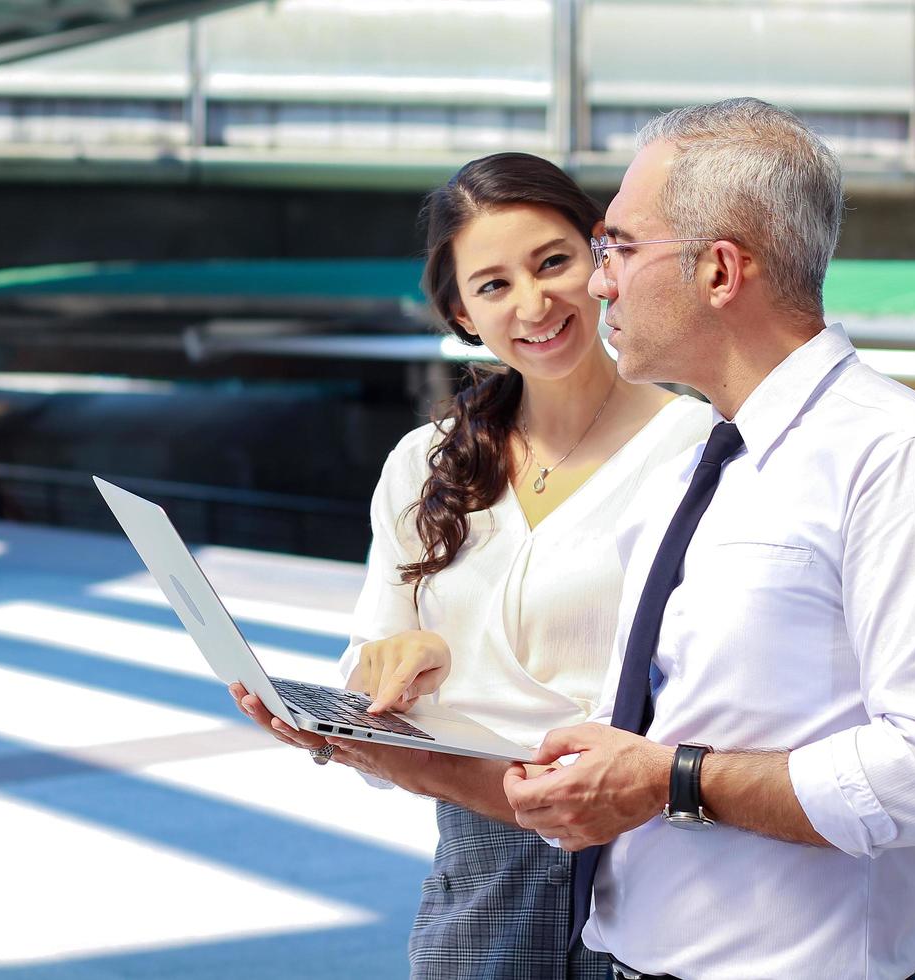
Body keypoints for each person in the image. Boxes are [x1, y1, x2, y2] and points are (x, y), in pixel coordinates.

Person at [501, 98, 915, 980]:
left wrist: (669, 780)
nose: (597, 283)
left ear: (719, 271)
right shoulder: (693, 467)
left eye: (618, 248)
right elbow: (675, 714)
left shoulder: (904, 460)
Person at [230, 151, 709, 979]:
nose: (533, 303)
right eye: (493, 285)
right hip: (479, 876)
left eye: (552, 262)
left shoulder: (697, 449)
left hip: (650, 864)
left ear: (602, 258)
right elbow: (369, 665)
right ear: (460, 312)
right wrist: (395, 671)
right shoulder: (426, 464)